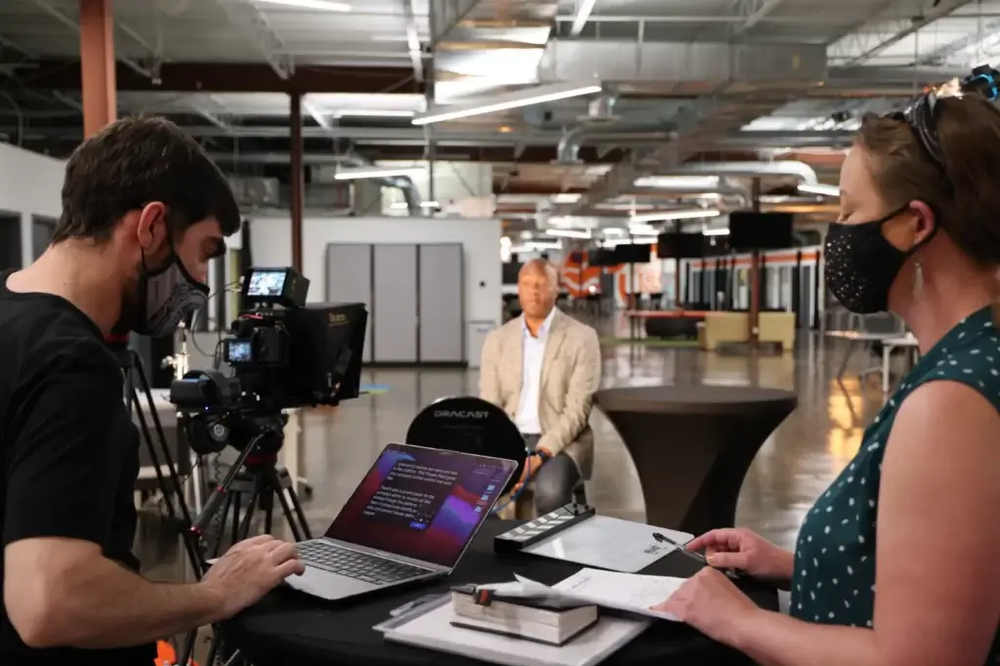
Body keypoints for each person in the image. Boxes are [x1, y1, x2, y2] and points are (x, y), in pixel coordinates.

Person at [651, 83, 1000, 665]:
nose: (838, 234)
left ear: (914, 223)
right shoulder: (971, 359)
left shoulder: (952, 403)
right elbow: (956, 582)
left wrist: (734, 618)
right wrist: (801, 565)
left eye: (847, 211)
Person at [0, 116, 305, 666]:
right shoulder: (73, 365)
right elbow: (49, 603)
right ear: (151, 228)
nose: (200, 280)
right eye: (204, 252)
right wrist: (215, 595)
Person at [479, 259, 601, 514]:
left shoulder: (582, 338)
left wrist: (540, 455)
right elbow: (490, 405)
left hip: (561, 440)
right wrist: (503, 449)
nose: (534, 292)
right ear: (519, 290)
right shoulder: (497, 340)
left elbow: (577, 410)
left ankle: (548, 554)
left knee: (551, 493)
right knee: (478, 490)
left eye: (542, 285)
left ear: (556, 290)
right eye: (527, 285)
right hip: (510, 435)